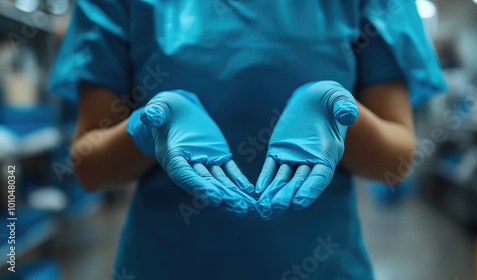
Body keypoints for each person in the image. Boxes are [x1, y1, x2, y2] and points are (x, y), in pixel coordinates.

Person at [49, 0, 446, 279]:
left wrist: (340, 113)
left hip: (323, 265)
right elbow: (89, 167)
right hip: (167, 265)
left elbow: (396, 159)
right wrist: (151, 125)